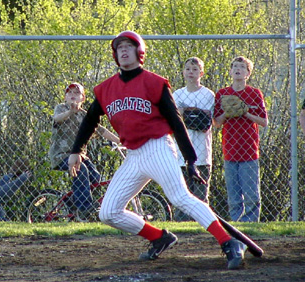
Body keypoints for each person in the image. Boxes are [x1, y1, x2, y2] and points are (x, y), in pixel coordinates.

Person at [68, 31, 247, 270]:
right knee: (108, 212)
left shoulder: (154, 82)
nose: (123, 51)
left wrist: (191, 160)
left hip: (158, 146)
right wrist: (76, 150)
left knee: (180, 197)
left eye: (128, 47)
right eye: (119, 47)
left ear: (139, 52)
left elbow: (176, 121)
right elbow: (90, 120)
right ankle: (158, 237)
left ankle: (229, 242)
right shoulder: (105, 89)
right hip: (133, 155)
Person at [48, 82, 119, 217]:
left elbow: (101, 130)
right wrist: (70, 112)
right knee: (80, 170)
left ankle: (73, 203)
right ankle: (84, 207)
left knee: (96, 178)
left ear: (83, 98)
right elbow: (56, 119)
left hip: (81, 157)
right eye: (70, 93)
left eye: (77, 93)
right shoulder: (61, 108)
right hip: (61, 156)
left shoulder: (85, 116)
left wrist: (120, 141)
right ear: (65, 97)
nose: (73, 95)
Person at [214, 56, 268, 223]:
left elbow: (264, 122)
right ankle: (237, 224)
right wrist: (227, 112)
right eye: (235, 66)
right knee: (233, 196)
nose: (238, 69)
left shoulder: (254, 93)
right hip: (229, 149)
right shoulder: (223, 94)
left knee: (251, 194)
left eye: (242, 67)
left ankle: (251, 224)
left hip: (250, 150)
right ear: (230, 71)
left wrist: (245, 112)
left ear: (248, 73)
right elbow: (216, 123)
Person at [173, 57, 214, 221]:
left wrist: (186, 113)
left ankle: (203, 224)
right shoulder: (177, 94)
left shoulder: (208, 94)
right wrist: (192, 114)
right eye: (188, 69)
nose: (191, 72)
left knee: (200, 196)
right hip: (180, 154)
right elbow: (175, 121)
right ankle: (181, 225)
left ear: (201, 73)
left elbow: (205, 122)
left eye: (195, 69)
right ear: (183, 72)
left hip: (202, 154)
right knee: (181, 195)